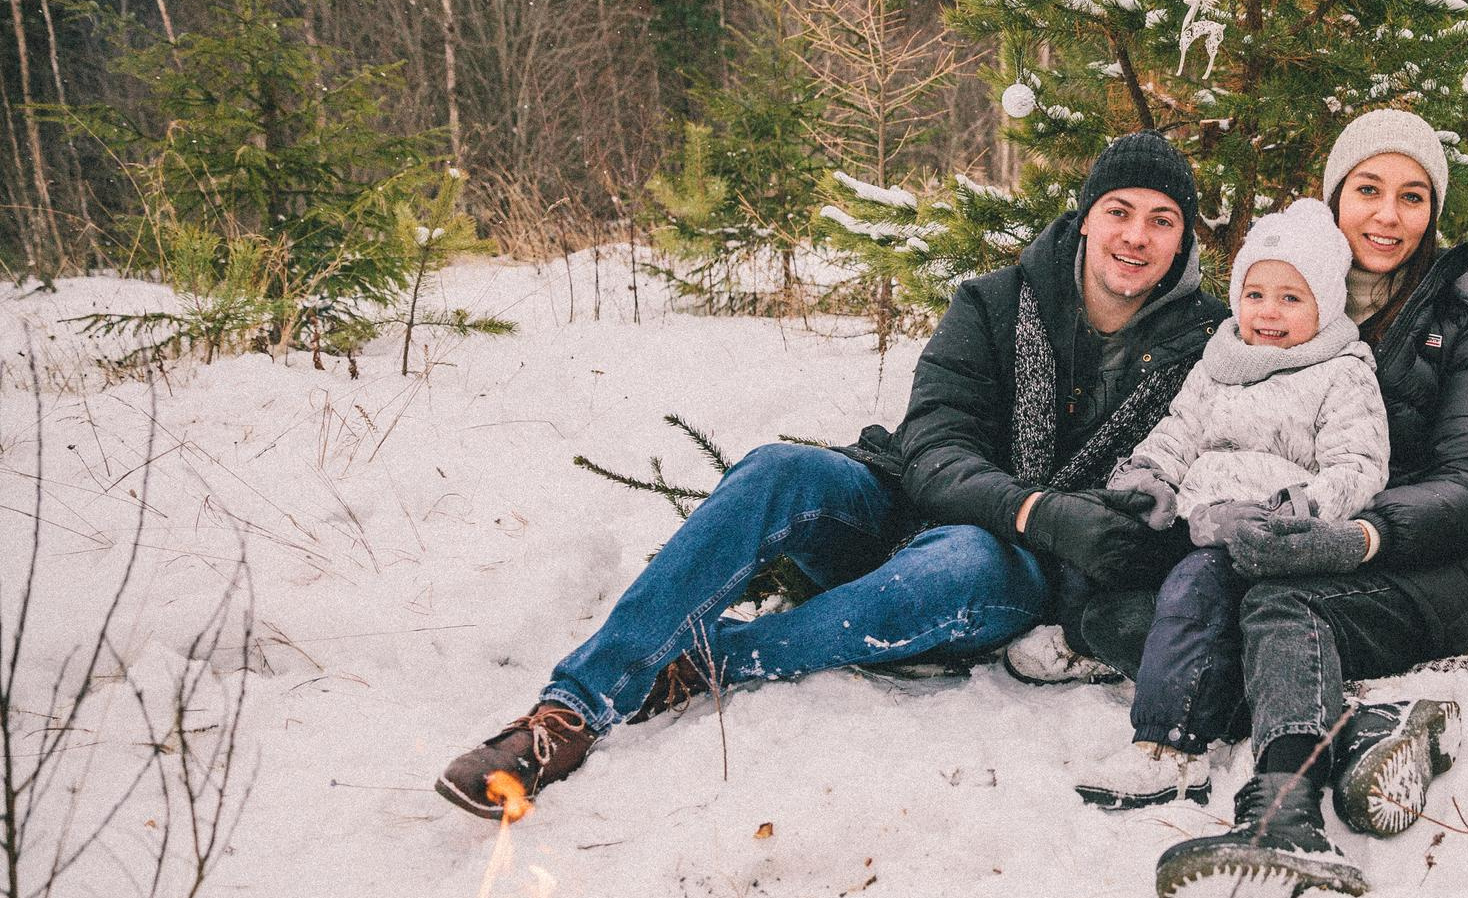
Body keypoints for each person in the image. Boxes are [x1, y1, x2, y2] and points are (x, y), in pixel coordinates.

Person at [437, 131, 1224, 818]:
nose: (1135, 235)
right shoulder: (997, 303)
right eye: (1119, 209)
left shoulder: (1205, 350)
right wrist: (1040, 508)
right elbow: (934, 450)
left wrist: (1050, 532)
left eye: (1162, 219)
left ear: (1184, 240)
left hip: (1011, 570)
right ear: (1085, 215)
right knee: (779, 469)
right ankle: (567, 712)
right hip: (907, 500)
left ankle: (711, 659)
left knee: (962, 560)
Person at [1068, 109, 1468, 898]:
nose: (1388, 214)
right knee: (1132, 610)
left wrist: (1355, 534)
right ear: (1334, 198)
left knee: (1280, 602)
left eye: (1412, 196)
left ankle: (1285, 817)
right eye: (1368, 190)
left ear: (1433, 211)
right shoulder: (1281, 290)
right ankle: (1366, 723)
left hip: (1434, 559)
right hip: (1290, 536)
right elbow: (1196, 420)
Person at [1075, 198, 1391, 809]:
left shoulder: (1340, 371)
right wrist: (1149, 474)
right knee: (1105, 566)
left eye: (1291, 299)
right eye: (1255, 295)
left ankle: (1171, 742)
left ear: (1324, 307)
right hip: (1190, 518)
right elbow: (1178, 428)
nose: (1268, 313)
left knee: (1193, 593)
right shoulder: (1217, 362)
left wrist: (1298, 509)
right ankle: (1102, 649)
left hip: (1255, 534)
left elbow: (1359, 464)